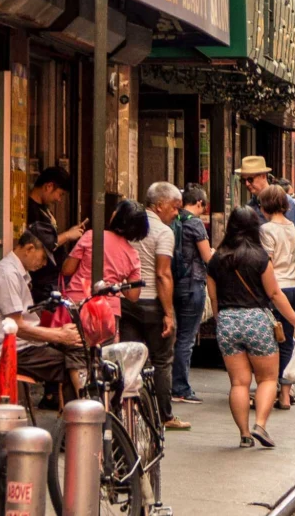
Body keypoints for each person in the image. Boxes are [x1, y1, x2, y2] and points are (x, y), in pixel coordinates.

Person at [206, 207, 295, 448]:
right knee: (267, 379)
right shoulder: (260, 258)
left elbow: (213, 298)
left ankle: (243, 434)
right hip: (257, 321)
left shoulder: (216, 259)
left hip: (228, 321)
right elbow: (274, 293)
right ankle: (260, 425)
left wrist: (221, 319)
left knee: (239, 383)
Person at [0, 228, 85, 394]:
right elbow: (17, 327)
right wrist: (59, 335)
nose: (44, 264)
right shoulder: (7, 274)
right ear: (29, 249)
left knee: (79, 348)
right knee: (74, 362)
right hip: (8, 350)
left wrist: (60, 335)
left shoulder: (15, 273)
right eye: (43, 258)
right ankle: (82, 414)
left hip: (21, 346)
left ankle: (81, 412)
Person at [120, 182, 190, 430]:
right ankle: (164, 415)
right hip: (152, 303)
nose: (177, 213)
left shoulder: (129, 226)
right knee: (162, 361)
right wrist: (168, 313)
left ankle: (128, 411)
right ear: (159, 206)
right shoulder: (163, 232)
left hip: (127, 302)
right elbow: (163, 274)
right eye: (174, 207)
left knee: (130, 359)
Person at [62, 199, 148, 331]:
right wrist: (118, 281)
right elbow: (133, 295)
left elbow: (67, 270)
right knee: (105, 350)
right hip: (108, 310)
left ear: (115, 216)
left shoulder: (91, 236)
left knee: (74, 347)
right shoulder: (133, 255)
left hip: (77, 303)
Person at [258, 184, 295, 410]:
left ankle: (270, 388)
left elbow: (268, 264)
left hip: (275, 288)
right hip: (293, 287)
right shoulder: (293, 227)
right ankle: (285, 394)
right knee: (287, 342)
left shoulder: (267, 230)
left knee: (271, 340)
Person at [171, 185, 214, 405]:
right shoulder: (195, 223)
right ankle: (180, 386)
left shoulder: (173, 219)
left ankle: (173, 382)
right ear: (198, 202)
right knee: (186, 338)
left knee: (176, 335)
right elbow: (207, 257)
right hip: (192, 284)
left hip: (174, 284)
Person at [27, 166, 85, 305]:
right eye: (60, 194)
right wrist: (68, 235)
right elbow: (45, 243)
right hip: (44, 281)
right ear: (49, 186)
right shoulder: (31, 210)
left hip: (53, 278)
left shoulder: (44, 209)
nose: (59, 199)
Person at [239, 156, 295, 230]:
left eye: (250, 179)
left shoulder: (285, 201)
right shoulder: (249, 207)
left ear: (263, 176)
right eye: (243, 181)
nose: (247, 184)